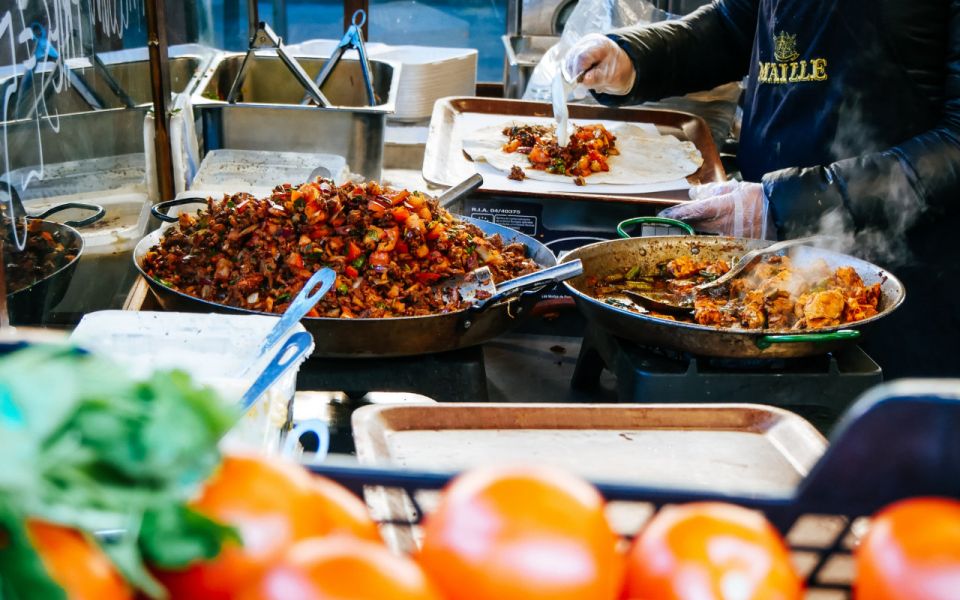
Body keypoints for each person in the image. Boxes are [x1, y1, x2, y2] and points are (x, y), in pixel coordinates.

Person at [562, 0, 960, 379]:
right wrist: (634, 57)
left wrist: (789, 205)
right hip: (766, 264)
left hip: (902, 285)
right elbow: (735, 25)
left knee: (883, 438)